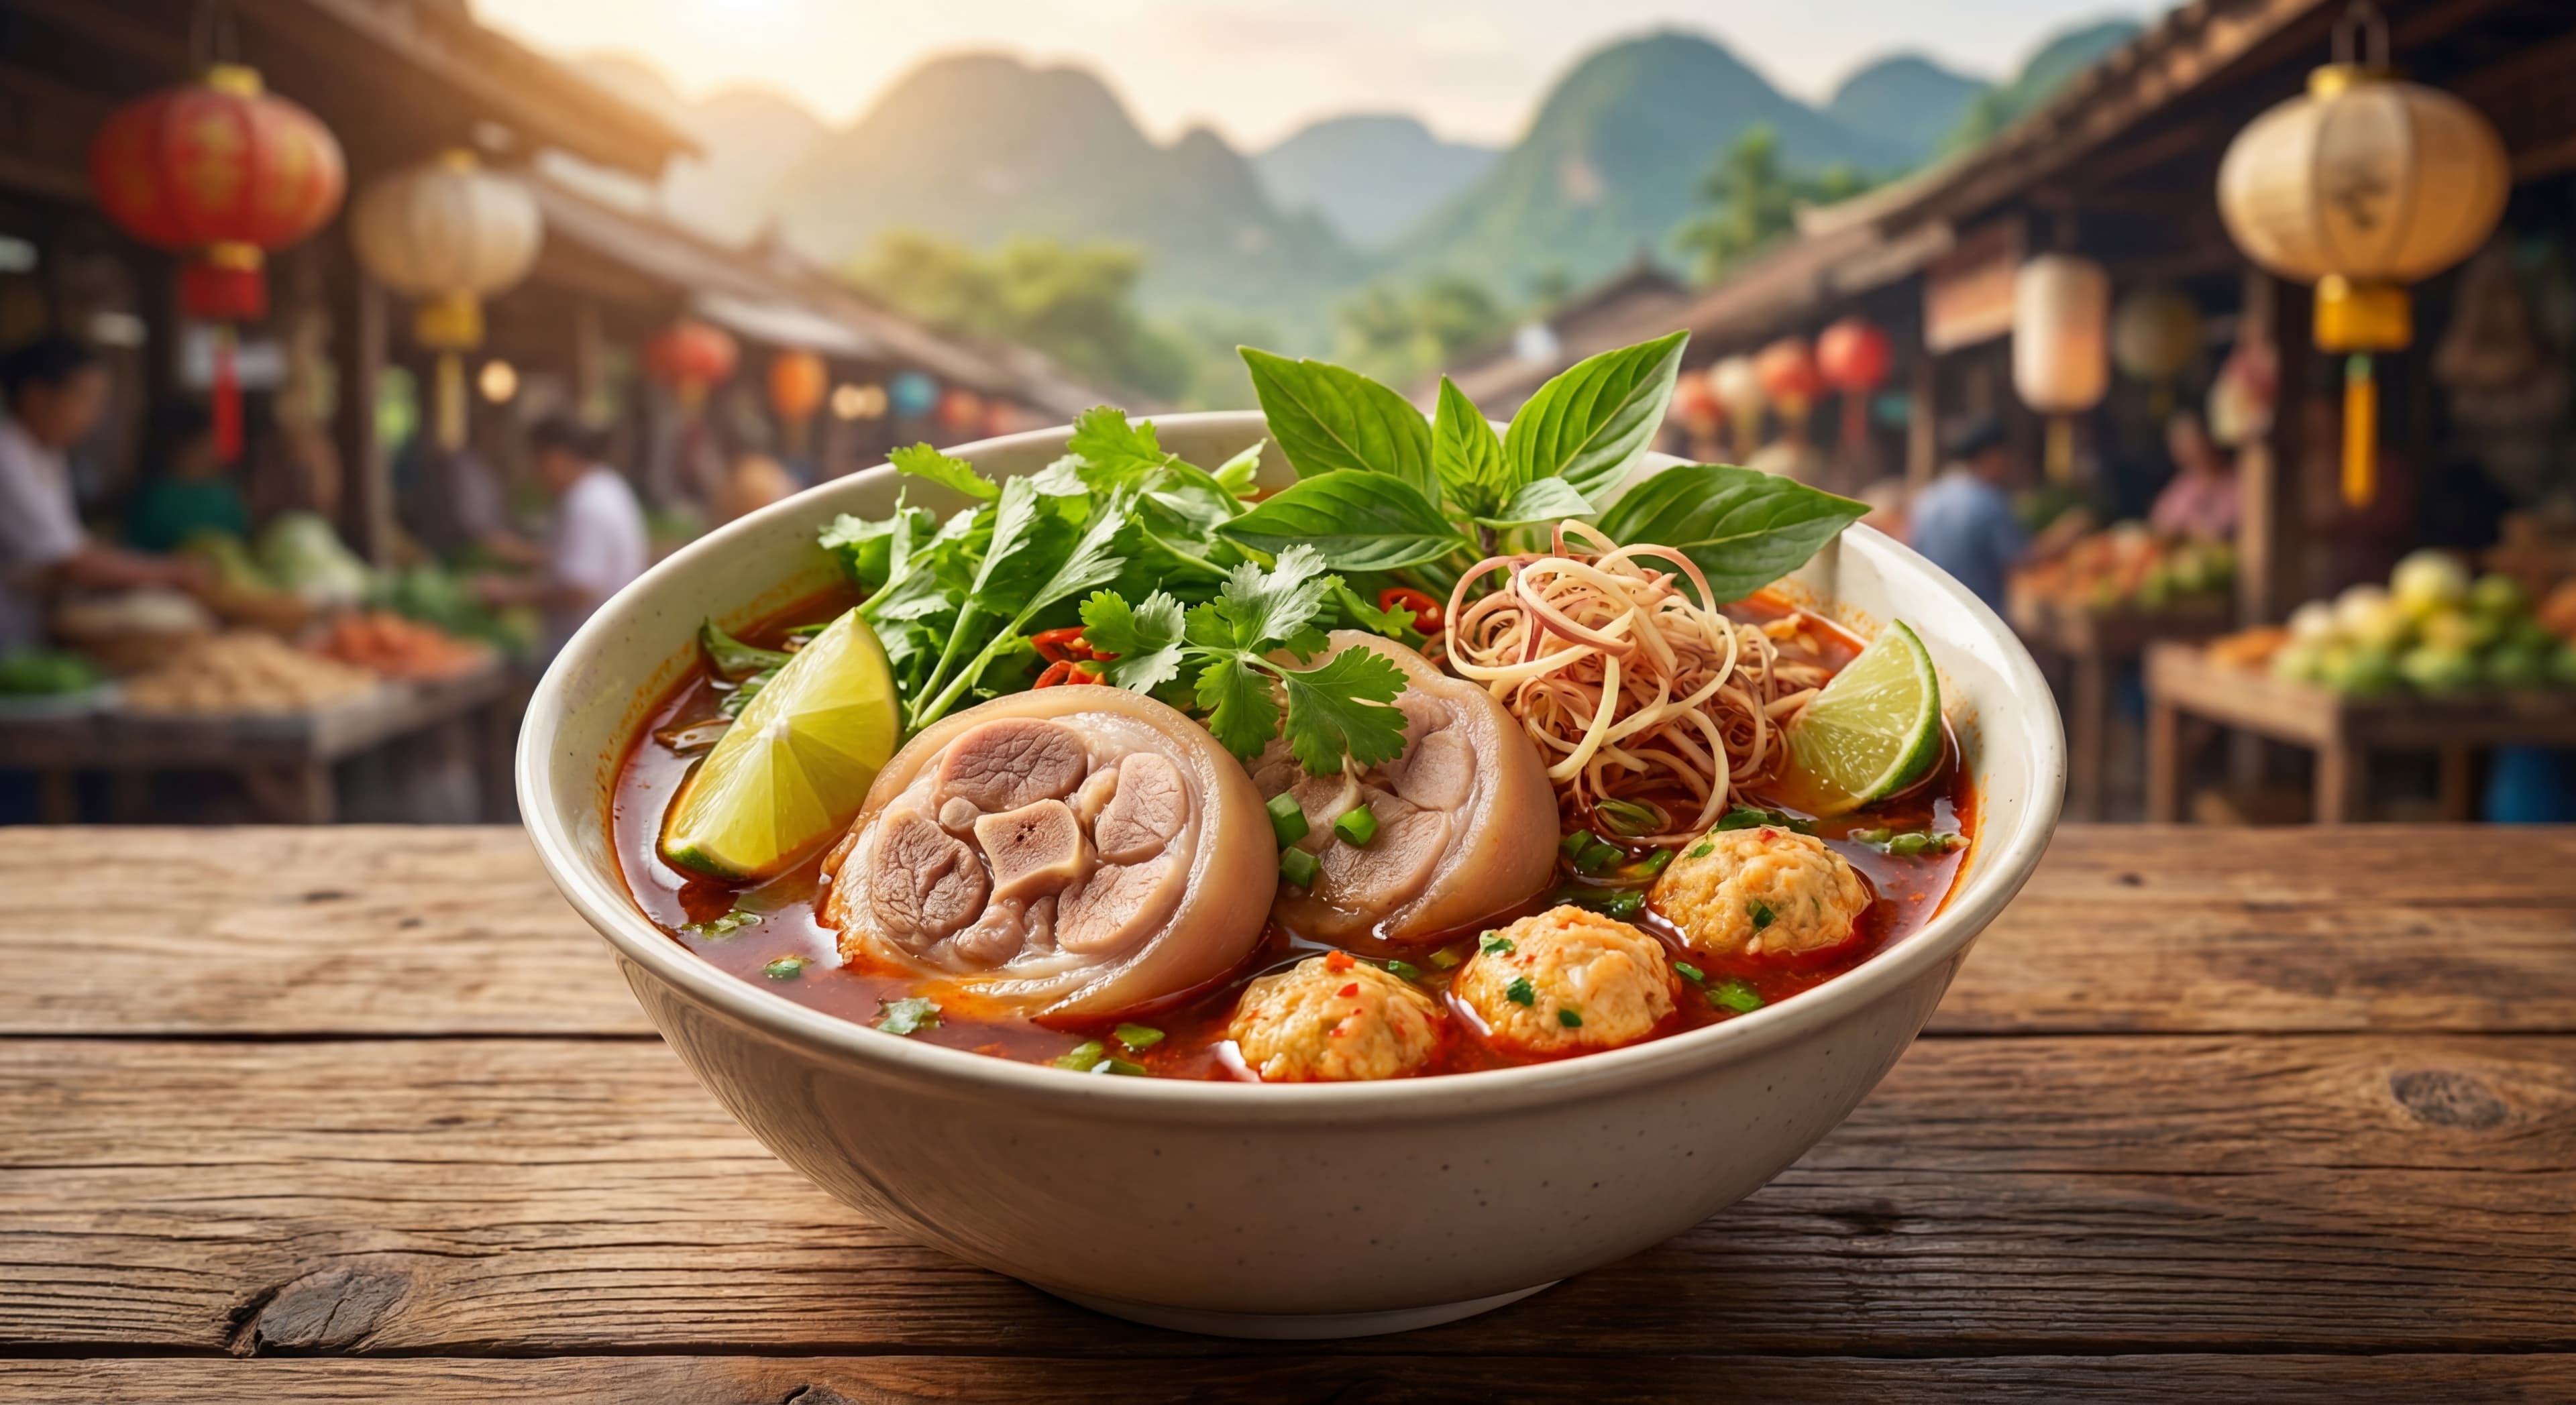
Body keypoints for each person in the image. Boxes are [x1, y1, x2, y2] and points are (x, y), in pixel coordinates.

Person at [0, 336, 206, 651]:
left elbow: (72, 545)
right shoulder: (8, 456)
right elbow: (71, 562)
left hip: (29, 631)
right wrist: (171, 571)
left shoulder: (45, 452)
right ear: (36, 397)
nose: (93, 416)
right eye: (84, 400)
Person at [478, 414, 647, 657]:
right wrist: (522, 555)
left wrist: (507, 593)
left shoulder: (587, 503)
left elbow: (579, 589)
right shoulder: (606, 485)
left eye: (536, 462)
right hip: (608, 642)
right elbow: (580, 558)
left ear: (555, 457)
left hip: (588, 652)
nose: (535, 473)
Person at [1907, 414, 2088, 612]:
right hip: (1978, 617)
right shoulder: (1988, 503)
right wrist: (2066, 534)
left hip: (1931, 610)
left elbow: (1912, 549)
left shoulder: (1929, 498)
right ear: (1991, 456)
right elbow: (2023, 559)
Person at [125, 400, 251, 554]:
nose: (211, 453)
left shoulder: (226, 496)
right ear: (175, 449)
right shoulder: (157, 500)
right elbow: (137, 552)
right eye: (200, 447)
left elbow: (244, 542)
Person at [2148, 409, 2241, 541]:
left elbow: (2224, 528)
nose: (2182, 449)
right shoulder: (2185, 483)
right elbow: (2161, 520)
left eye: (2188, 439)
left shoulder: (2236, 482)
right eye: (2177, 442)